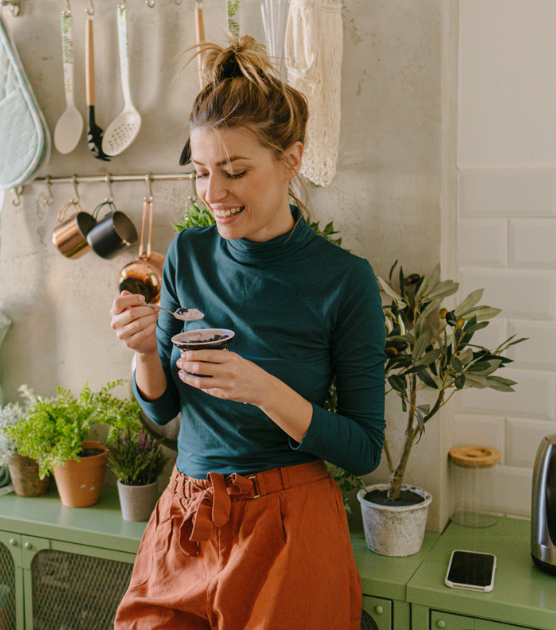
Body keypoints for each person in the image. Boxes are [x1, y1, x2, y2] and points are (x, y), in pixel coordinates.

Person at [109, 36, 385, 630]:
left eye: (234, 172)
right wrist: (143, 354)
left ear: (291, 160)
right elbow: (162, 413)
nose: (213, 194)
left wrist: (262, 387)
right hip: (187, 518)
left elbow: (364, 449)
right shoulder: (189, 254)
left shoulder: (344, 281)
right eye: (203, 172)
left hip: (288, 526)